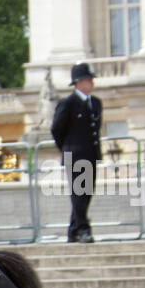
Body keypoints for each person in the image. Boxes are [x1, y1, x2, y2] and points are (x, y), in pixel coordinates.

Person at [51, 62, 103, 243]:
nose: (91, 83)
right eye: (88, 80)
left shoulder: (95, 103)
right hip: (74, 154)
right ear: (79, 83)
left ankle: (73, 229)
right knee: (79, 193)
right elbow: (57, 130)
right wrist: (66, 149)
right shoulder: (68, 103)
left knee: (87, 192)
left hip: (91, 154)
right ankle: (82, 228)